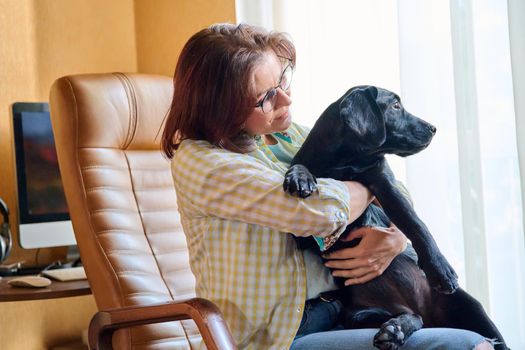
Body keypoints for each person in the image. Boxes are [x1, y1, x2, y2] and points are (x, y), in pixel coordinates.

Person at [162, 23, 493, 350]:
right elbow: (317, 212)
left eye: (282, 80)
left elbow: (399, 190)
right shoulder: (202, 163)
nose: (287, 100)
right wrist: (372, 186)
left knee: (477, 333)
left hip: (348, 309)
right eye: (266, 98)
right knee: (461, 345)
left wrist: (394, 237)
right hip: (280, 335)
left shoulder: (289, 136)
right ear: (221, 109)